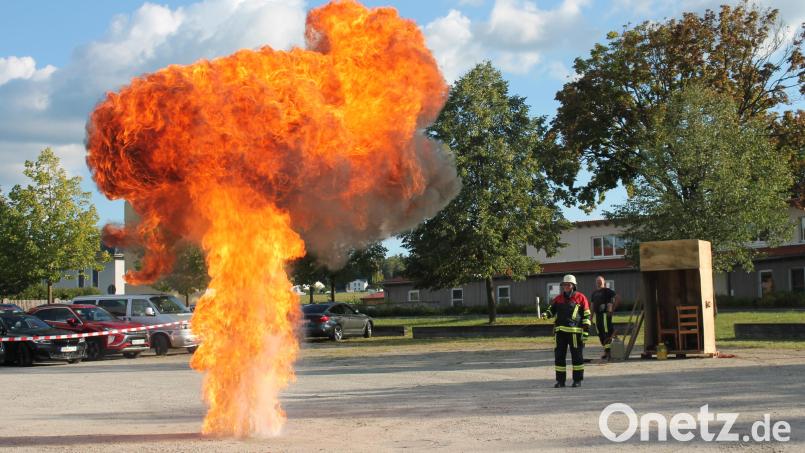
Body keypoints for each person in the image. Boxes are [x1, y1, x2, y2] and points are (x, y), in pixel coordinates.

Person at [542, 274, 591, 388]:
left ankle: (577, 380)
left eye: (568, 285)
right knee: (559, 357)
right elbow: (551, 310)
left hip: (575, 333)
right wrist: (546, 314)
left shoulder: (581, 297)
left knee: (577, 357)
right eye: (564, 285)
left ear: (573, 286)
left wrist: (585, 333)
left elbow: (587, 316)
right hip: (560, 333)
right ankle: (560, 381)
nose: (566, 287)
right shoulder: (558, 298)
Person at [590, 275, 619, 360]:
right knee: (600, 334)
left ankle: (609, 352)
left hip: (605, 316)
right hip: (598, 316)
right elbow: (592, 306)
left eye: (600, 281)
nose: (599, 282)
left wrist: (612, 309)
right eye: (597, 281)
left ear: (604, 282)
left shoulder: (607, 291)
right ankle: (606, 351)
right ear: (596, 283)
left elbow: (618, 298)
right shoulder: (594, 293)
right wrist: (591, 317)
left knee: (607, 334)